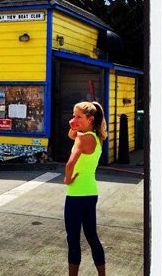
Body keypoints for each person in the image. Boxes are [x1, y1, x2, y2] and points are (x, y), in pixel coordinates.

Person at [64, 101, 107, 276]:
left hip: (75, 194)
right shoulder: (98, 137)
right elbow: (71, 135)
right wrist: (74, 126)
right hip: (91, 192)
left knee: (73, 239)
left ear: (90, 119)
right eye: (73, 116)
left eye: (78, 117)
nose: (74, 119)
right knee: (92, 237)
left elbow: (70, 163)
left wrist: (67, 178)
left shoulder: (82, 138)